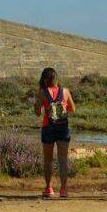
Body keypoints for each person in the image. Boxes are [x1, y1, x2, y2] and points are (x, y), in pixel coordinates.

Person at [35, 67, 75, 198]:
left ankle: (48, 188)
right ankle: (63, 189)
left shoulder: (42, 92)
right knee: (63, 160)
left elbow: (38, 112)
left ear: (45, 79)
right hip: (63, 127)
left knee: (48, 160)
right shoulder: (66, 91)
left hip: (48, 127)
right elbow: (72, 109)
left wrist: (37, 103)